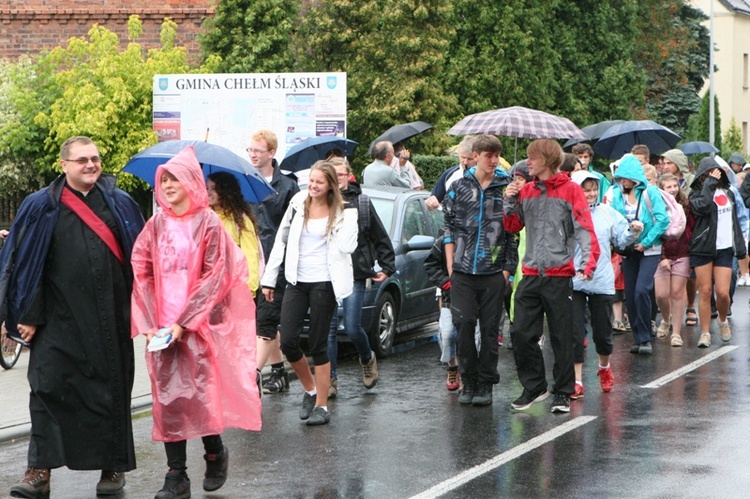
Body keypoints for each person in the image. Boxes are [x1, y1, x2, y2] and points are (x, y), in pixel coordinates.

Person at [0, 136, 145, 498]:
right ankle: (39, 471)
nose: (90, 165)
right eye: (81, 160)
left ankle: (112, 469)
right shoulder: (40, 205)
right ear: (63, 165)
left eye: (95, 158)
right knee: (46, 390)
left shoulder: (121, 203)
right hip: (55, 319)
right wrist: (26, 316)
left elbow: (142, 258)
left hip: (109, 320)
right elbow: (23, 265)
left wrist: (143, 312)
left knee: (111, 394)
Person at [130, 146, 262, 498]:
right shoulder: (156, 223)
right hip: (162, 326)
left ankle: (215, 452)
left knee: (200, 394)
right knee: (168, 399)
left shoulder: (209, 224)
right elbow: (141, 268)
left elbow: (215, 275)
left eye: (176, 177)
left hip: (199, 326)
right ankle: (177, 475)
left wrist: (184, 322)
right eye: (165, 178)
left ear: (191, 181)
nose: (169, 184)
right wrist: (150, 320)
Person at [504, 139, 600, 414]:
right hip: (531, 273)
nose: (527, 163)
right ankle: (535, 387)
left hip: (559, 275)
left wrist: (587, 264)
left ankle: (562, 392)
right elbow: (512, 226)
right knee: (521, 332)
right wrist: (510, 199)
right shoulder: (526, 191)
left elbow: (584, 227)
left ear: (546, 160)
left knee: (562, 336)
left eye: (532, 158)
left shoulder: (571, 190)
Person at [261, 160, 358, 426]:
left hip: (325, 282)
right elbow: (280, 243)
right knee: (289, 341)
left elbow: (349, 247)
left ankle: (322, 406)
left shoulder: (345, 211)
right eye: (311, 181)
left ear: (330, 185)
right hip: (297, 280)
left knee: (318, 344)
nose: (313, 186)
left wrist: (346, 218)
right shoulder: (297, 203)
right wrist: (269, 280)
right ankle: (310, 389)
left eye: (319, 182)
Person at [443, 134, 517, 407]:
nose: (494, 160)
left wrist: (507, 271)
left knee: (489, 331)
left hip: (494, 272)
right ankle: (468, 379)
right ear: (475, 156)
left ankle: (486, 383)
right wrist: (451, 265)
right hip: (462, 271)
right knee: (462, 326)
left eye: (497, 155)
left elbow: (513, 232)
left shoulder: (506, 187)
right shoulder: (459, 186)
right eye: (489, 155)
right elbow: (448, 227)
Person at [327, 157, 395, 397]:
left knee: (353, 327)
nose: (337, 179)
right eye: (332, 175)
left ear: (349, 176)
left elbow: (381, 237)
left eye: (341, 175)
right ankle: (330, 379)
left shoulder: (362, 203)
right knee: (329, 329)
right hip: (327, 274)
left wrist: (387, 267)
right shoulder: (320, 203)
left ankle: (367, 359)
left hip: (354, 273)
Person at [569, 171, 641, 399]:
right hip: (573, 281)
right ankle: (577, 380)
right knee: (575, 333)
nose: (590, 194)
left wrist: (632, 231)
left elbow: (621, 239)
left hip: (601, 281)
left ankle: (604, 367)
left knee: (602, 333)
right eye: (585, 189)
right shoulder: (567, 214)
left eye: (593, 189)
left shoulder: (607, 213)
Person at [247, 129, 300, 394]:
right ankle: (279, 373)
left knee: (266, 321)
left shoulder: (288, 186)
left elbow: (296, 226)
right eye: (250, 150)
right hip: (248, 263)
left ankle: (252, 375)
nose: (253, 155)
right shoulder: (244, 181)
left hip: (276, 265)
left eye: (258, 150)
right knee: (258, 322)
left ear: (271, 153)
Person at [606, 154, 669, 354]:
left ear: (634, 176)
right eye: (619, 178)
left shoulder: (650, 192)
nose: (622, 181)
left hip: (650, 249)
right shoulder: (616, 194)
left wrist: (646, 241)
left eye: (625, 177)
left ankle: (645, 337)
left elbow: (662, 220)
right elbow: (613, 220)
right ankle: (638, 337)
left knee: (642, 289)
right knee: (631, 295)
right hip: (628, 250)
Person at [689, 157, 747, 347]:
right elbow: (703, 207)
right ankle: (705, 332)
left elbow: (736, 221)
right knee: (705, 291)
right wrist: (709, 185)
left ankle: (722, 319)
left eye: (716, 173)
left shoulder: (729, 193)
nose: (712, 177)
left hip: (725, 248)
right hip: (703, 248)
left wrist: (740, 247)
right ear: (701, 176)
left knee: (723, 293)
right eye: (707, 174)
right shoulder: (695, 195)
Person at [654, 173, 695, 347]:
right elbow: (654, 232)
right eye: (668, 187)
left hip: (682, 253)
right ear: (661, 189)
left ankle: (676, 333)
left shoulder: (685, 205)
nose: (672, 190)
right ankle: (665, 318)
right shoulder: (657, 205)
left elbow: (692, 229)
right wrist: (662, 257)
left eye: (675, 186)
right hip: (661, 253)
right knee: (662, 294)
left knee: (678, 293)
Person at [207, 172, 261, 297]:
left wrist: (249, 288)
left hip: (232, 287)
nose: (208, 192)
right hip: (208, 287)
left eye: (214, 189)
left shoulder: (241, 220)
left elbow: (250, 254)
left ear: (225, 191)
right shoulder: (204, 217)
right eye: (207, 188)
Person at [425, 136, 476, 210]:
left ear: (477, 157)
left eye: (470, 159)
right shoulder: (449, 174)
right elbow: (430, 204)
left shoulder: (485, 176)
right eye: (463, 157)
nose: (465, 162)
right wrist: (430, 203)